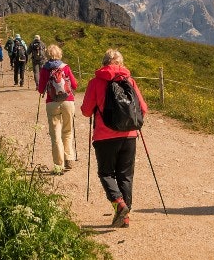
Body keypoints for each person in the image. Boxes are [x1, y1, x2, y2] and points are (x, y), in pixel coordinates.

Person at [80, 49, 147, 228]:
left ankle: (119, 204)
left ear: (104, 63)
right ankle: (125, 217)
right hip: (130, 136)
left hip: (104, 137)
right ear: (121, 64)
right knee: (125, 176)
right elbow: (143, 108)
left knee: (106, 173)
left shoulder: (95, 82)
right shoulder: (130, 81)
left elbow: (86, 111)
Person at [37, 44, 78, 174]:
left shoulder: (45, 69)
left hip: (52, 103)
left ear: (47, 55)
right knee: (68, 131)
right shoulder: (65, 67)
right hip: (68, 101)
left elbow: (41, 89)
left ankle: (58, 165)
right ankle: (69, 158)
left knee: (55, 134)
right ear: (59, 54)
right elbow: (75, 84)